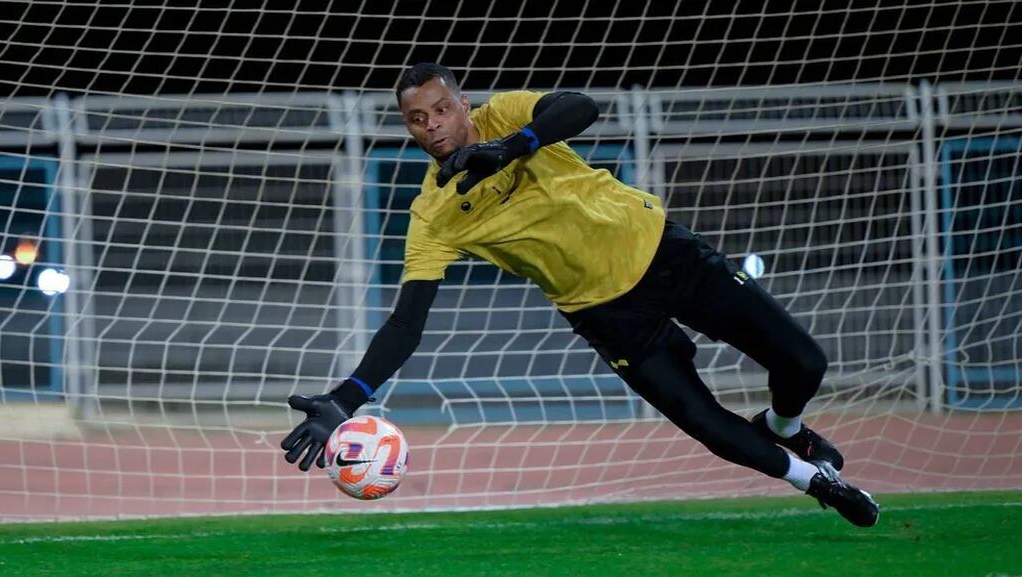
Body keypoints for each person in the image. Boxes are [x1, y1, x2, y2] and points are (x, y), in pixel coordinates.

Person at [281, 62, 879, 527]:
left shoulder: (506, 116)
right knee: (701, 418)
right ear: (408, 126)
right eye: (418, 117)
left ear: (464, 104)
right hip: (606, 313)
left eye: (442, 108)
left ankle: (784, 424)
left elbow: (582, 106)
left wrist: (513, 146)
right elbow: (406, 325)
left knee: (805, 362)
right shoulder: (432, 216)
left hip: (665, 254)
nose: (433, 123)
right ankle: (813, 479)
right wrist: (346, 398)